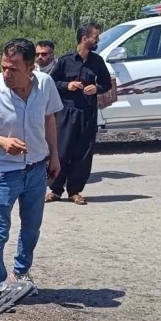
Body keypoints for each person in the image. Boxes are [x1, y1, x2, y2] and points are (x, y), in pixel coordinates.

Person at [0, 38, 63, 286]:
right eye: (4, 67)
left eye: (14, 69)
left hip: (36, 170)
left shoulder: (45, 84)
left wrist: (54, 156)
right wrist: (1, 142)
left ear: (31, 68)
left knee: (31, 229)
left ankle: (21, 272)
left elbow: (49, 119)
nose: (7, 74)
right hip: (4, 173)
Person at [47, 22, 111, 204]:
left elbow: (106, 84)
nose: (97, 39)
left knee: (83, 153)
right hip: (67, 113)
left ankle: (75, 190)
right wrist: (68, 85)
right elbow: (52, 83)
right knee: (61, 151)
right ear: (85, 38)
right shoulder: (65, 60)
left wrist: (96, 88)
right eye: (95, 37)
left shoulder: (97, 61)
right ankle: (55, 189)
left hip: (87, 113)